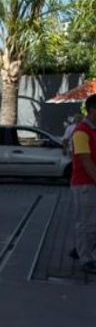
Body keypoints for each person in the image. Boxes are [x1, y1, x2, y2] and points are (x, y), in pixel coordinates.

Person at [71, 95, 96, 273]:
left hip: (90, 183)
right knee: (86, 223)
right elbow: (86, 162)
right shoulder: (81, 132)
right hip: (85, 185)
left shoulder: (92, 130)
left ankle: (81, 249)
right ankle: (86, 259)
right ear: (93, 110)